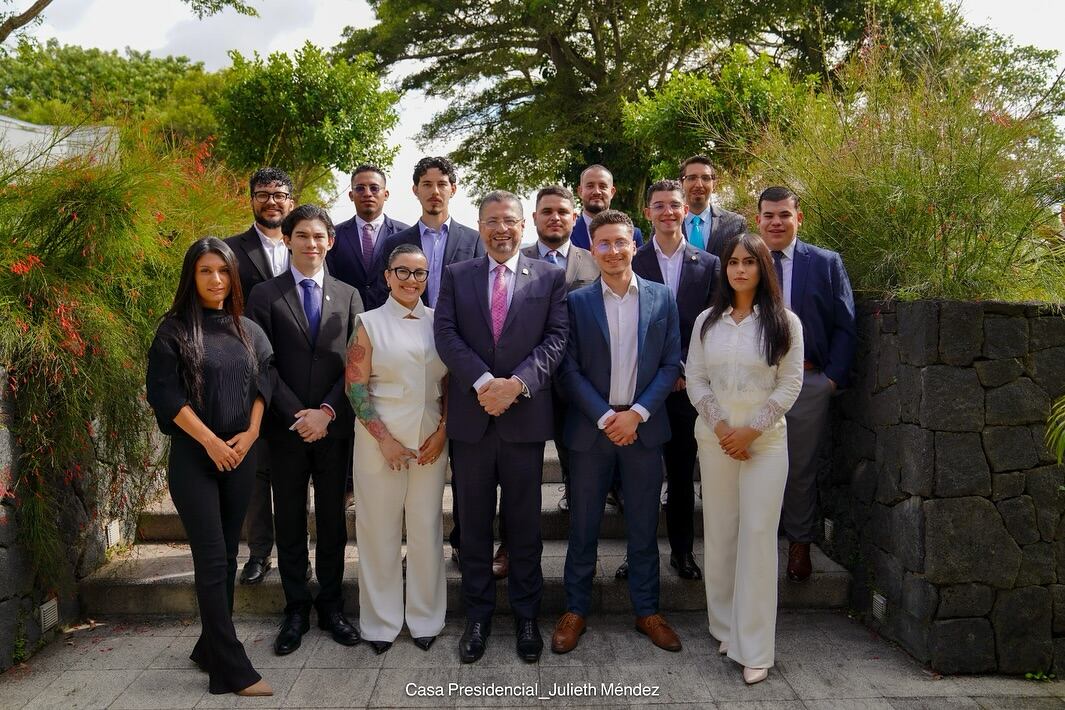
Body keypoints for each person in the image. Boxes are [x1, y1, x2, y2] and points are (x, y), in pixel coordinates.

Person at [434, 190, 568, 664]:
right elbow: (445, 334)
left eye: (509, 220)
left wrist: (516, 385)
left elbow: (557, 338)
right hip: (472, 422)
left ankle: (528, 616)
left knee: (525, 526)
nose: (501, 229)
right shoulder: (457, 275)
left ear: (523, 225)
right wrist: (484, 382)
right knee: (472, 526)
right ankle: (478, 617)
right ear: (480, 225)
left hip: (523, 420)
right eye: (491, 221)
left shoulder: (549, 277)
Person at [551, 210, 683, 656]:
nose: (612, 251)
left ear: (634, 245)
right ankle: (575, 610)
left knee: (644, 527)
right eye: (603, 243)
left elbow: (670, 363)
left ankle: (648, 611)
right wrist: (606, 416)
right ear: (592, 249)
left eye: (620, 242)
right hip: (592, 432)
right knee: (583, 526)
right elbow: (567, 369)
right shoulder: (575, 302)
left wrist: (637, 414)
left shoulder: (662, 298)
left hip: (643, 430)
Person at [146, 237, 274, 697]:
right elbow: (165, 394)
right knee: (213, 557)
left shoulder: (249, 329)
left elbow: (265, 380)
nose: (216, 279)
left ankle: (208, 646)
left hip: (240, 455)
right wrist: (210, 442)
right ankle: (230, 668)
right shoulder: (173, 331)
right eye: (205, 271)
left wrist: (252, 433)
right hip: (194, 459)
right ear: (192, 276)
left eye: (222, 270)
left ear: (233, 276)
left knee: (228, 555)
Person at [686, 232, 805, 685]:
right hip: (715, 439)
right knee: (720, 531)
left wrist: (751, 430)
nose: (740, 269)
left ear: (762, 268)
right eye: (733, 262)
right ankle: (724, 627)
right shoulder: (707, 322)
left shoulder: (785, 322)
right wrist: (722, 429)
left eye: (749, 262)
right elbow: (695, 378)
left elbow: (790, 383)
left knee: (757, 535)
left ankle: (754, 647)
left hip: (764, 444)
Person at [245, 204, 364, 656]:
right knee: (291, 519)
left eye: (319, 236)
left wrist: (327, 412)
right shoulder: (264, 295)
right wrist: (300, 415)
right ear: (288, 239)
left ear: (330, 242)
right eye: (302, 235)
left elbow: (357, 363)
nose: (311, 243)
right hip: (286, 429)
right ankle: (295, 608)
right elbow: (262, 363)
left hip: (334, 429)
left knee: (332, 521)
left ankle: (331, 605)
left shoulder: (349, 294)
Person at [344, 244, 449, 655]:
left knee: (426, 528)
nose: (410, 280)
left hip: (429, 440)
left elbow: (450, 383)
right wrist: (384, 440)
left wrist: (444, 430)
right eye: (401, 271)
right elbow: (355, 386)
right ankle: (380, 623)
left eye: (419, 273)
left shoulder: (440, 322)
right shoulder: (369, 323)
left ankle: (426, 618)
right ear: (387, 276)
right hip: (379, 442)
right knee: (378, 531)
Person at [755, 186, 856, 583]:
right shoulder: (746, 259)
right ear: (758, 220)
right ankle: (756, 547)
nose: (776, 222)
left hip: (808, 382)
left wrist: (830, 380)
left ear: (798, 218)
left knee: (799, 468)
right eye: (769, 215)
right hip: (754, 382)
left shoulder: (827, 263)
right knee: (754, 463)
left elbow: (845, 324)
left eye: (784, 214)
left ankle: (799, 543)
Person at [632, 179, 720, 581]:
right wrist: (659, 372)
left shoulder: (710, 263)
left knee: (682, 475)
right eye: (659, 205)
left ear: (686, 210)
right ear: (647, 212)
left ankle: (682, 552)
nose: (667, 212)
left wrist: (683, 369)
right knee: (642, 477)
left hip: (688, 386)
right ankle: (638, 554)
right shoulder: (633, 260)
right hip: (641, 386)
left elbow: (712, 323)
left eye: (674, 205)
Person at [224, 167, 295, 587]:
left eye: (279, 194)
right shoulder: (231, 251)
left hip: (300, 375)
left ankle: (296, 553)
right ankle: (258, 552)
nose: (271, 201)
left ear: (291, 201)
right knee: (255, 470)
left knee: (294, 473)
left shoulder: (307, 243)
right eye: (263, 194)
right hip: (249, 373)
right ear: (251, 199)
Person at [522, 184, 600, 515]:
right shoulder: (516, 260)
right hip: (529, 373)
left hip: (581, 373)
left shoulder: (595, 261)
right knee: (523, 460)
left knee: (578, 451)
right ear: (534, 217)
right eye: (547, 211)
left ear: (575, 217)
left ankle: (580, 506)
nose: (555, 217)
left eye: (562, 212)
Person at [372, 156, 484, 309]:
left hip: (459, 324)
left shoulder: (474, 240)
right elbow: (383, 294)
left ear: (453, 189)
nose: (435, 191)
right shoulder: (394, 243)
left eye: (442, 184)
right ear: (415, 190)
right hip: (407, 322)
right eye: (427, 184)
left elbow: (481, 292)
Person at [327, 164, 410, 311]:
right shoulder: (334, 235)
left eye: (374, 188)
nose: (367, 194)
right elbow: (330, 282)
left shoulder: (405, 235)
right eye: (360, 188)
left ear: (386, 194)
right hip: (346, 317)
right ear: (351, 195)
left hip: (392, 317)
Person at [679, 155, 746, 258]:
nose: (699, 185)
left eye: (705, 178)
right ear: (681, 183)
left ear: (714, 184)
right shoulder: (667, 222)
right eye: (692, 178)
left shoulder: (735, 223)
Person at [569, 164, 644, 249]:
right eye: (590, 186)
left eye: (602, 186)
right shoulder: (567, 233)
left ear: (612, 192)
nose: (596, 192)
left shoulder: (633, 234)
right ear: (580, 191)